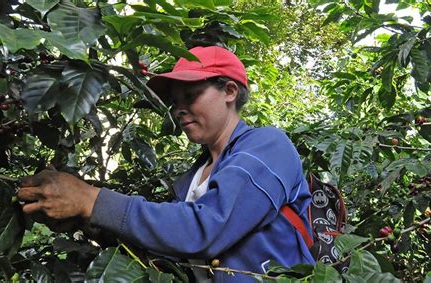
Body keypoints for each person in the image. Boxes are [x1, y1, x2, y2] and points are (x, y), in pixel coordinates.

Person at [17, 46, 315, 282]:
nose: (179, 109)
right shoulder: (194, 177)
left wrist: (90, 199)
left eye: (191, 95)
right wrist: (86, 221)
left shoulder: (267, 146)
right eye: (174, 101)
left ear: (229, 92)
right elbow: (174, 248)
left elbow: (205, 230)